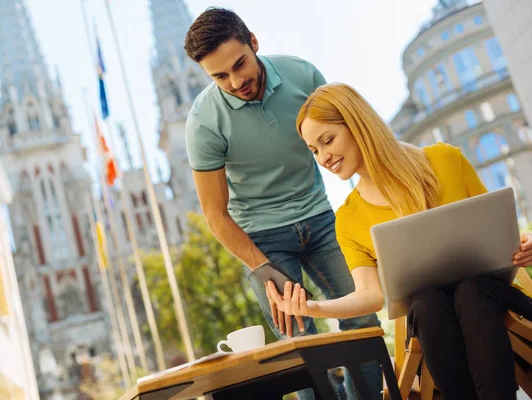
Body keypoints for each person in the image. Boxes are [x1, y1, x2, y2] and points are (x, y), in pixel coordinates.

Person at [266, 82, 532, 400]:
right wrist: (313, 308)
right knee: (427, 301)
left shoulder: (445, 160)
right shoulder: (349, 218)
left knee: (471, 293)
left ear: (357, 124)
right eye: (314, 150)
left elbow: (501, 235)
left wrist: (524, 247)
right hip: (431, 322)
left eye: (328, 140)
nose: (323, 157)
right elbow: (370, 296)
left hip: (497, 301)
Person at [183, 7, 381, 400]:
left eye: (239, 64)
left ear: (254, 42)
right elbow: (216, 215)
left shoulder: (303, 76)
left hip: (322, 220)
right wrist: (262, 268)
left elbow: (350, 145)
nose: (236, 81)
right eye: (220, 76)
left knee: (362, 319)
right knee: (298, 345)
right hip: (260, 239)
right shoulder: (203, 123)